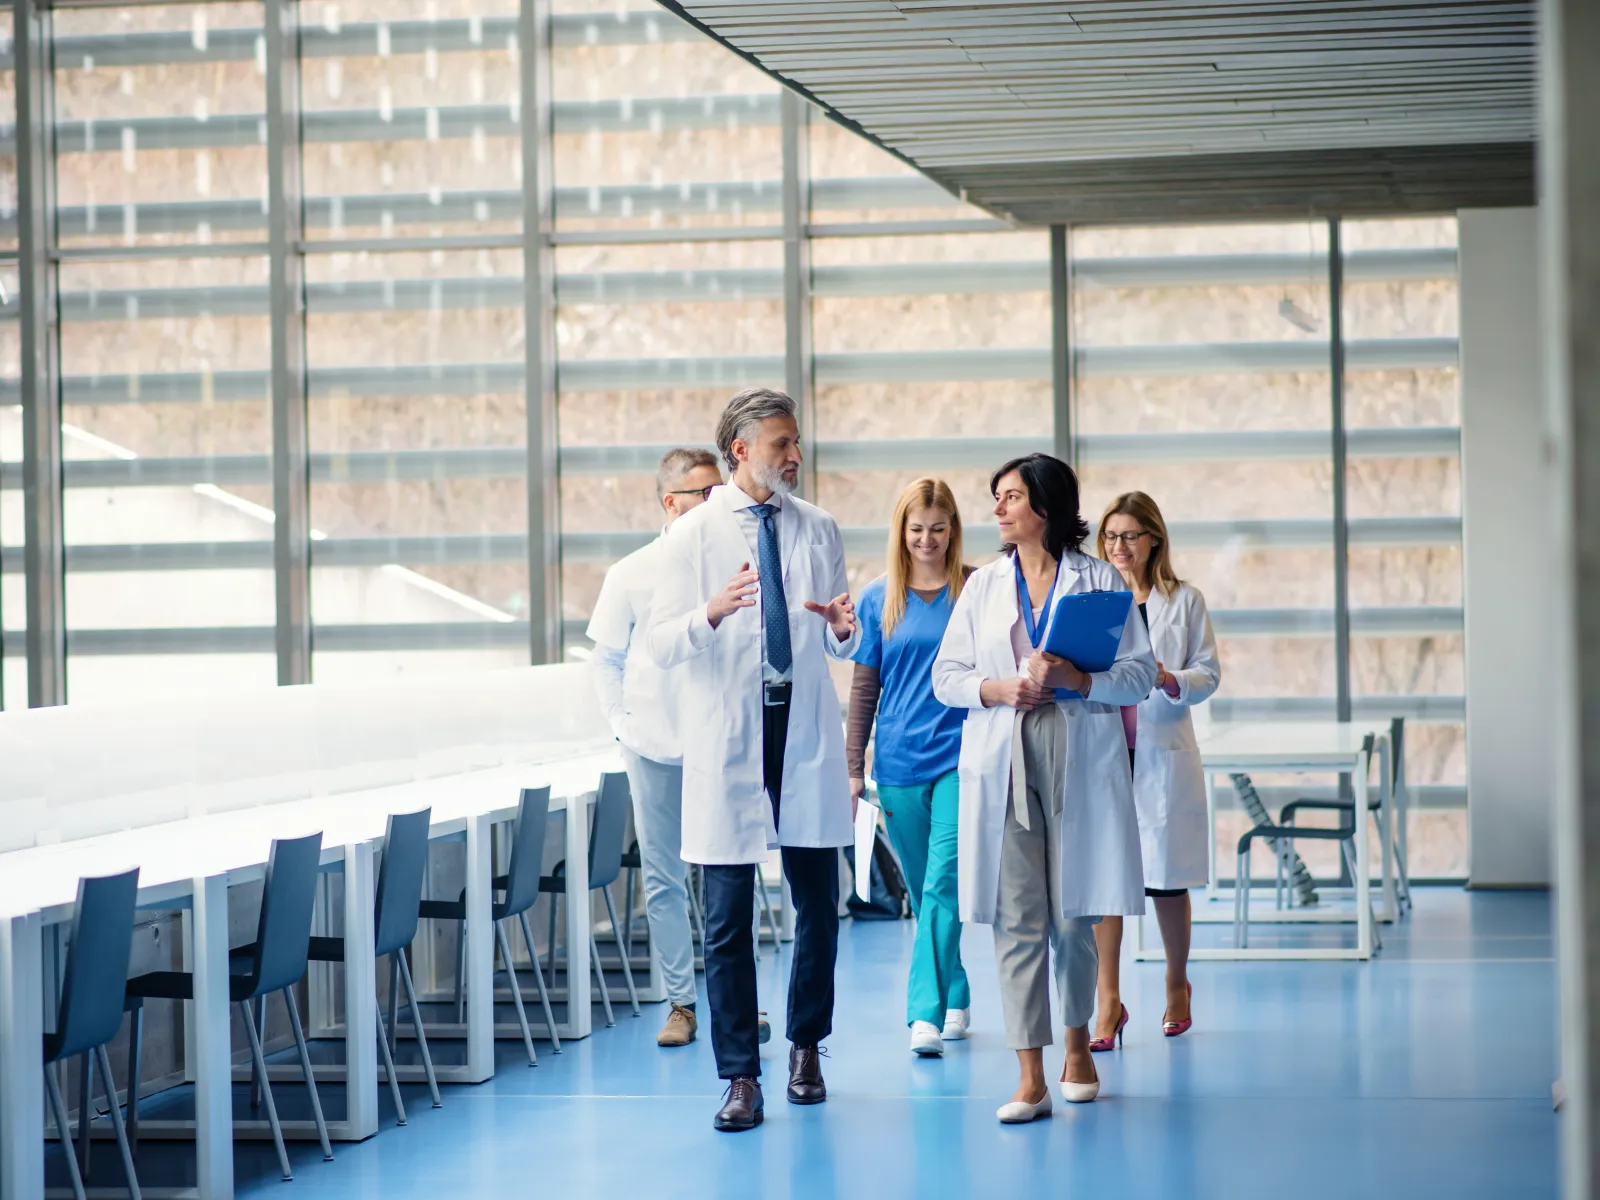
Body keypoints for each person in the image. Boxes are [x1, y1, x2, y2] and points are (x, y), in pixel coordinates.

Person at [646, 386, 859, 1133]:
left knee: (819, 911)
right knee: (727, 924)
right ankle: (740, 1075)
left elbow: (839, 637)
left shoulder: (819, 527)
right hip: (728, 740)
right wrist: (710, 612)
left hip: (799, 738)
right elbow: (659, 643)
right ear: (741, 450)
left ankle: (805, 1046)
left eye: (796, 444)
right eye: (781, 446)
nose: (795, 457)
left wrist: (842, 628)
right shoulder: (693, 536)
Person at [931, 453, 1155, 1124]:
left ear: (1046, 508)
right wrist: (999, 689)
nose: (998, 509)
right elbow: (948, 676)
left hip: (1077, 744)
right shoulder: (981, 587)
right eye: (996, 498)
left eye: (1011, 497)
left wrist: (1080, 682)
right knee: (1017, 916)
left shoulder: (1099, 583)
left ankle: (1077, 1045)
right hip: (1006, 748)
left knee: (1074, 915)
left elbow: (1139, 676)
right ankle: (1030, 1075)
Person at [586, 447, 767, 1051]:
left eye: (722, 491)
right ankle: (681, 1004)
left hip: (720, 742)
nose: (719, 502)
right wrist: (621, 724)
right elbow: (606, 658)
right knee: (664, 878)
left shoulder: (733, 560)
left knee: (728, 876)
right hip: (655, 746)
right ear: (672, 503)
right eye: (704, 494)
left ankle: (737, 999)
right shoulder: (631, 573)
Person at [847, 478, 973, 1058]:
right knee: (927, 894)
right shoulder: (879, 598)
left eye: (938, 529)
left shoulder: (974, 589)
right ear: (902, 532)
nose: (927, 540)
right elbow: (864, 686)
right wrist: (854, 765)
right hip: (897, 763)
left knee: (945, 880)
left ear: (953, 530)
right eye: (916, 529)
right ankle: (956, 990)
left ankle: (922, 1012)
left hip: (962, 758)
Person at [1089, 491, 1220, 1048]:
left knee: (1165, 881)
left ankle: (1174, 983)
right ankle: (1107, 1001)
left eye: (1131, 536)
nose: (1120, 547)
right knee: (1107, 882)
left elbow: (1208, 673)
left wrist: (1173, 681)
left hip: (1160, 747)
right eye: (1111, 536)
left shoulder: (1183, 600)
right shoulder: (1092, 599)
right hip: (1106, 751)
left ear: (1154, 540)